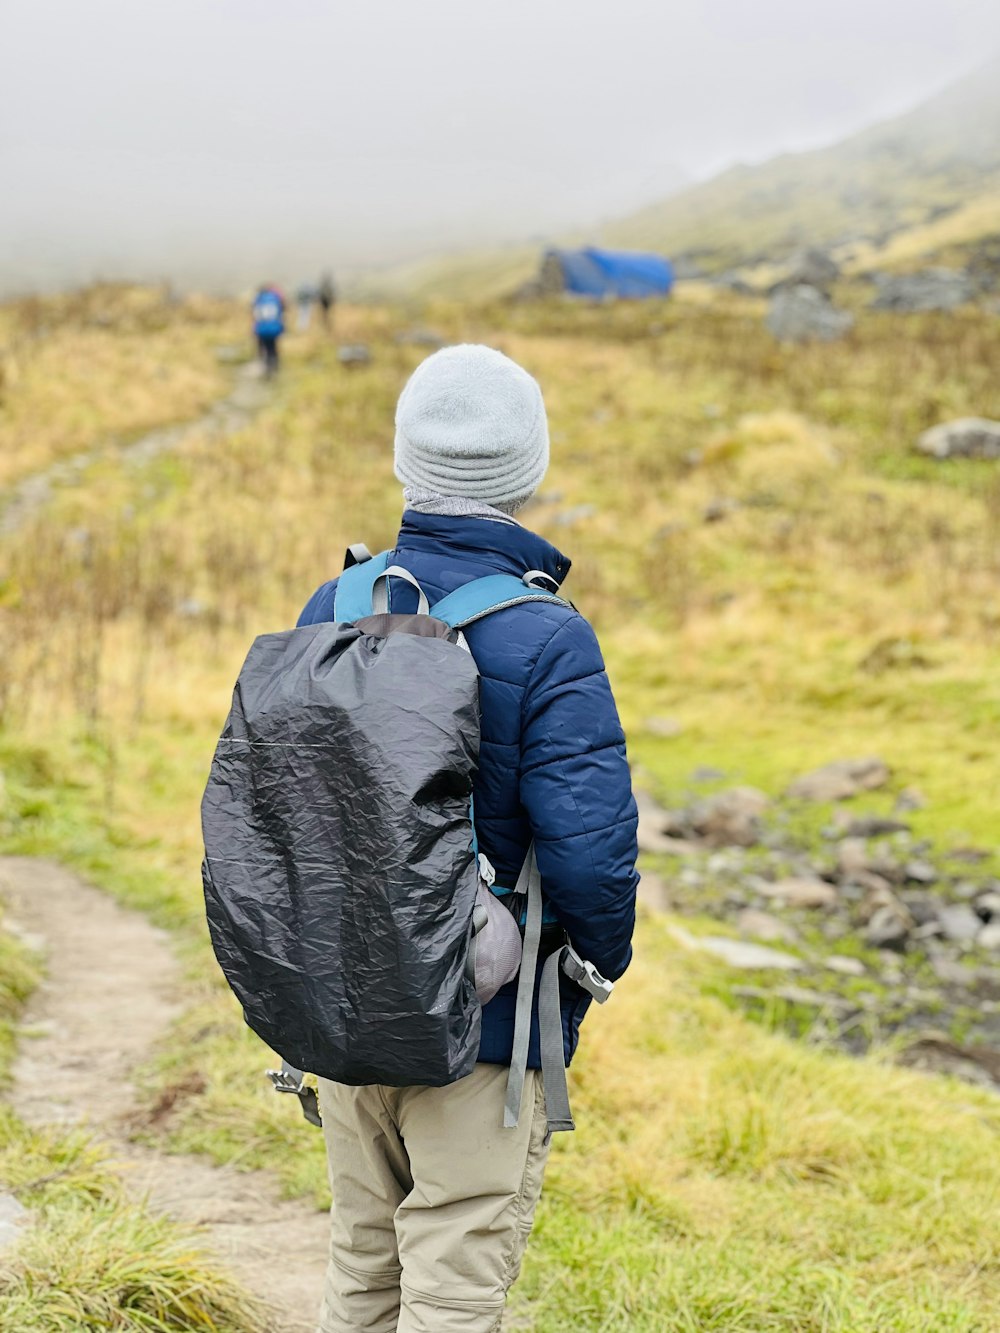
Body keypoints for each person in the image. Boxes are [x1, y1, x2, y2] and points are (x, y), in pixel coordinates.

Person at [297, 344, 639, 1333]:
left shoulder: (338, 603)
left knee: (361, 1258)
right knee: (454, 1273)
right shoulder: (546, 634)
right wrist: (596, 962)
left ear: (411, 461)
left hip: (347, 1003)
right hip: (484, 1020)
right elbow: (588, 848)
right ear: (525, 471)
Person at [252, 284, 285, 376]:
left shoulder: (259, 300)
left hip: (262, 329)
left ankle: (266, 368)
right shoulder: (275, 299)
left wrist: (254, 329)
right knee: (273, 348)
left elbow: (256, 315)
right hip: (274, 328)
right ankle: (274, 367)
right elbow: (280, 315)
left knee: (265, 347)